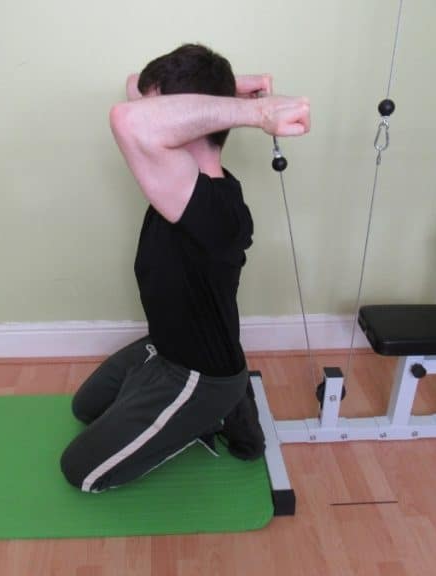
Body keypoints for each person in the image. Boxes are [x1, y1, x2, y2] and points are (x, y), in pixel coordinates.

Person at [60, 44, 311, 493]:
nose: (148, 107)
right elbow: (135, 83)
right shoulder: (177, 183)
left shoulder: (212, 209)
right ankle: (198, 405)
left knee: (81, 471)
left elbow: (128, 116)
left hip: (201, 375)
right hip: (166, 345)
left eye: (161, 104)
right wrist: (233, 91)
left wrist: (254, 113)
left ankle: (217, 411)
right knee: (85, 406)